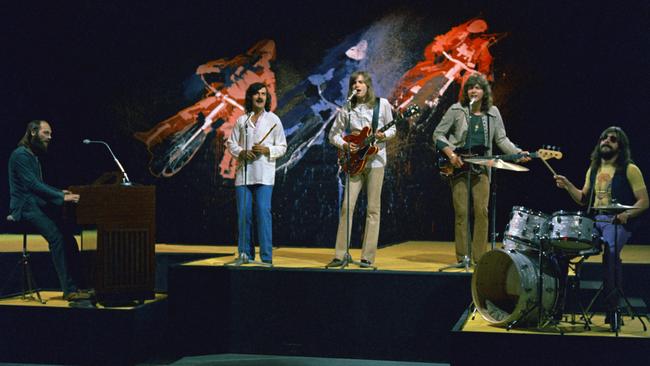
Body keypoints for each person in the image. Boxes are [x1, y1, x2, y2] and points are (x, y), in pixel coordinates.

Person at [554, 126, 648, 328]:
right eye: (603, 138)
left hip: (616, 221)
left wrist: (626, 214)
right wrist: (568, 185)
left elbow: (644, 201)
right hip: (595, 222)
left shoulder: (630, 169)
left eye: (612, 139)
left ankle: (613, 310)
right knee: (561, 249)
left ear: (620, 146)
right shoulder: (593, 169)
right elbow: (583, 199)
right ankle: (558, 306)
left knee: (611, 252)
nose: (606, 141)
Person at [433, 73, 529, 265]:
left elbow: (501, 139)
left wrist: (518, 153)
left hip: (483, 167)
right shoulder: (457, 109)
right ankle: (463, 257)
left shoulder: (493, 112)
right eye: (470, 87)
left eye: (478, 87)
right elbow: (438, 134)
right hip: (459, 166)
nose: (473, 91)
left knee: (482, 211)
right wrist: (451, 155)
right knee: (461, 212)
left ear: (485, 92)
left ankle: (479, 258)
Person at [7, 120, 91, 303]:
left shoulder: (31, 155)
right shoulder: (20, 155)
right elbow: (32, 185)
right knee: (56, 237)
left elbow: (39, 185)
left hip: (35, 204)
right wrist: (61, 198)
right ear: (33, 132)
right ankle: (69, 290)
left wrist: (59, 192)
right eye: (46, 133)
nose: (50, 137)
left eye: (50, 134)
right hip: (25, 207)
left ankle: (80, 286)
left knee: (68, 237)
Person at [326, 71, 396, 268]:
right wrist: (346, 145)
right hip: (354, 162)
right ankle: (341, 255)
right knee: (347, 206)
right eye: (354, 83)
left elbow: (393, 129)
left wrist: (383, 136)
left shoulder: (382, 105)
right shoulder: (348, 108)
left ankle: (367, 256)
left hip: (376, 161)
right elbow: (334, 134)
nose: (357, 85)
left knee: (373, 209)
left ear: (368, 85)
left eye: (361, 82)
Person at [227, 83, 286, 264]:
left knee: (262, 212)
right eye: (256, 94)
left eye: (263, 94)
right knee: (244, 214)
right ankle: (245, 254)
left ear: (267, 98)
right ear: (250, 97)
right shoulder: (242, 121)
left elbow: (282, 147)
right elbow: (231, 143)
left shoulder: (274, 120)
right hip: (244, 175)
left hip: (264, 175)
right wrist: (241, 152)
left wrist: (266, 149)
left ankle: (266, 257)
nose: (260, 97)